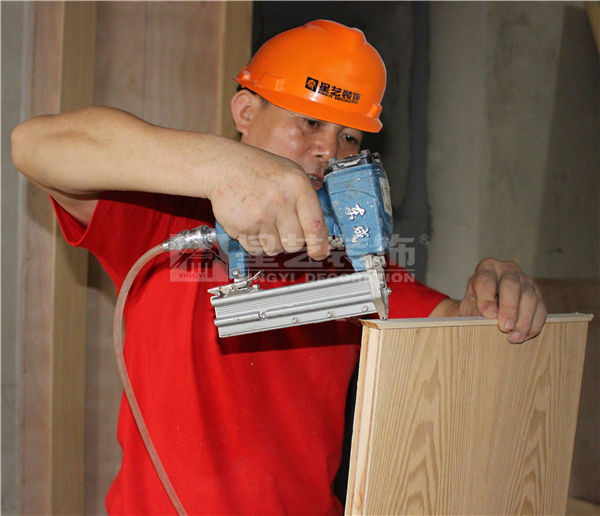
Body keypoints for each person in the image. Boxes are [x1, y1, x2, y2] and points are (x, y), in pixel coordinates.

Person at [11, 19, 546, 516]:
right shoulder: (165, 223)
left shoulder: (348, 261)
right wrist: (220, 167)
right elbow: (33, 145)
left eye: (349, 137)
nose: (328, 151)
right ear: (245, 112)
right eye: (309, 121)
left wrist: (497, 295)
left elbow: (457, 326)